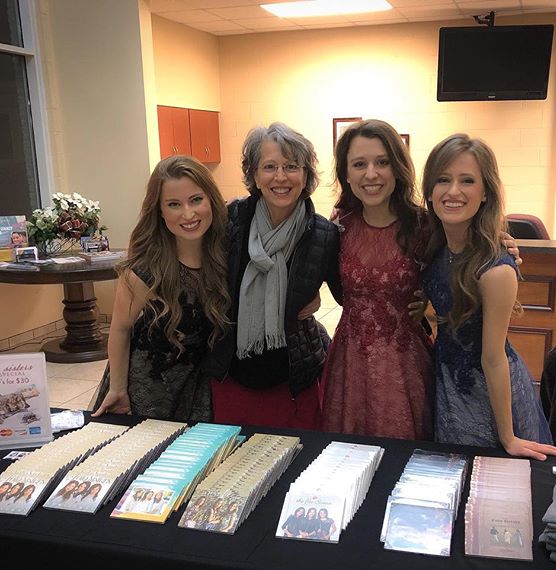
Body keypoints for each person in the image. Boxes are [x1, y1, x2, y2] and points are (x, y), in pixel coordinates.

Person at [420, 133, 556, 461]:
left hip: (486, 390)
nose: (453, 191)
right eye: (443, 180)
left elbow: (494, 357)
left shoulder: (495, 268)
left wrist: (508, 436)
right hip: (447, 379)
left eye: (467, 180)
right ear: (430, 190)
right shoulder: (436, 245)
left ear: (485, 192)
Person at [208, 123, 342, 430]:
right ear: (253, 174)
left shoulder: (324, 234)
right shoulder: (228, 223)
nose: (280, 177)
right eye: (269, 167)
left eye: (291, 166)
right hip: (232, 376)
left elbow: (353, 293)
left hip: (294, 382)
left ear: (306, 175)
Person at [92, 156, 231, 422]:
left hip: (199, 392)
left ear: (211, 200)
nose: (188, 214)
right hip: (148, 393)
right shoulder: (145, 272)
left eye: (196, 200)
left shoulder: (225, 257)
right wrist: (118, 388)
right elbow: (120, 329)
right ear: (160, 211)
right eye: (174, 204)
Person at [321, 119, 434, 439]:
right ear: (346, 173)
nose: (371, 174)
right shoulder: (339, 224)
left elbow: (461, 259)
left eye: (382, 162)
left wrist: (505, 245)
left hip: (405, 362)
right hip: (350, 361)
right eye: (359, 164)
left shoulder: (423, 226)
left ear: (397, 167)